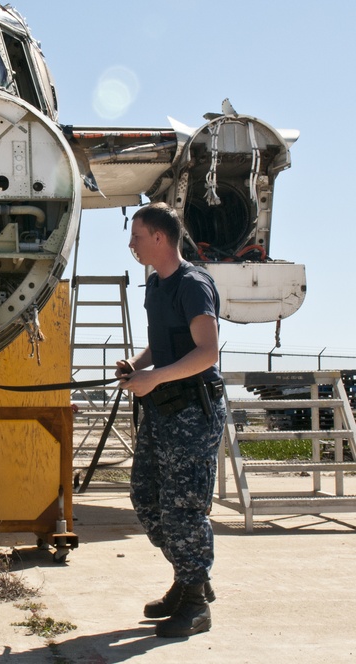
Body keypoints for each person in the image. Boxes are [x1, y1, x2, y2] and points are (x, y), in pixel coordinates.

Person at [116, 202, 227, 638]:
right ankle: (189, 578)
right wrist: (137, 365)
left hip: (192, 412)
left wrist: (154, 377)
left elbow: (207, 352)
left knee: (184, 508)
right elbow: (161, 344)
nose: (132, 244)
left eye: (137, 236)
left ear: (160, 238)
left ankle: (195, 604)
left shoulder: (192, 285)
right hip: (162, 410)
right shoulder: (155, 285)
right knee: (146, 498)